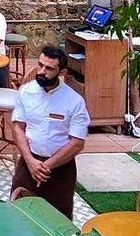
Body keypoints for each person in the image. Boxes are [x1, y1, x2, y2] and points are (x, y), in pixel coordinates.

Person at [9, 44, 90, 218]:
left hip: (61, 168)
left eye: (49, 68)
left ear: (62, 72)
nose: (41, 71)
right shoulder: (26, 92)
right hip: (29, 161)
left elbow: (77, 143)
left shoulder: (74, 101)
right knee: (18, 213)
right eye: (40, 65)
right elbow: (18, 127)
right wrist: (31, 162)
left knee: (58, 219)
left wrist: (47, 166)